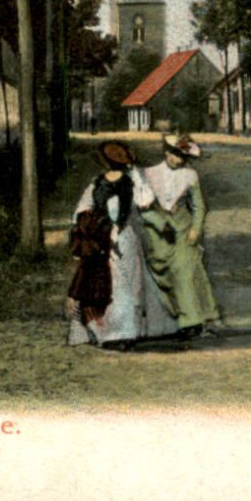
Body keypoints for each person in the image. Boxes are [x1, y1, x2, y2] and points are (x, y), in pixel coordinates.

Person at [66, 140, 179, 349]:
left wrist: (87, 224)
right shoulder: (130, 181)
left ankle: (117, 332)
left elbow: (80, 210)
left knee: (118, 286)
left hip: (111, 238)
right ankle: (117, 332)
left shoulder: (98, 183)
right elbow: (145, 201)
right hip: (117, 237)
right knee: (122, 286)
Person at [138, 133, 222, 338]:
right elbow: (142, 207)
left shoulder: (190, 175)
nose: (179, 160)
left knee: (186, 271)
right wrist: (157, 221)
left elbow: (199, 206)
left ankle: (192, 321)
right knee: (163, 274)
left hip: (183, 228)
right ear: (167, 153)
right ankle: (169, 321)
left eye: (183, 156)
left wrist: (195, 229)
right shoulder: (149, 174)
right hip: (157, 230)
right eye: (175, 154)